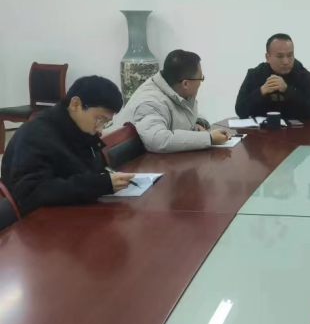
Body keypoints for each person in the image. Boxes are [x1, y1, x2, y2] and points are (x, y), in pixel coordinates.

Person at [1, 75, 133, 216]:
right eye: (100, 119)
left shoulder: (81, 128)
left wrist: (103, 179)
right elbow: (33, 193)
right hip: (41, 220)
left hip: (73, 209)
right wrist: (100, 184)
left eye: (105, 122)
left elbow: (85, 172)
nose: (100, 128)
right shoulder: (35, 134)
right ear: (76, 104)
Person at [113, 50, 229, 153]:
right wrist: (209, 138)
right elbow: (158, 140)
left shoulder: (177, 89)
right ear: (185, 84)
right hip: (131, 164)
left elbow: (181, 114)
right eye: (200, 78)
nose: (200, 83)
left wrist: (197, 122)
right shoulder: (150, 101)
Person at [235, 34, 310, 121]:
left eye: (290, 55)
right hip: (262, 127)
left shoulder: (304, 76)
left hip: (295, 128)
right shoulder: (255, 74)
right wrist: (261, 91)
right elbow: (240, 110)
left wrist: (287, 90)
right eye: (280, 56)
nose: (286, 62)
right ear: (268, 57)